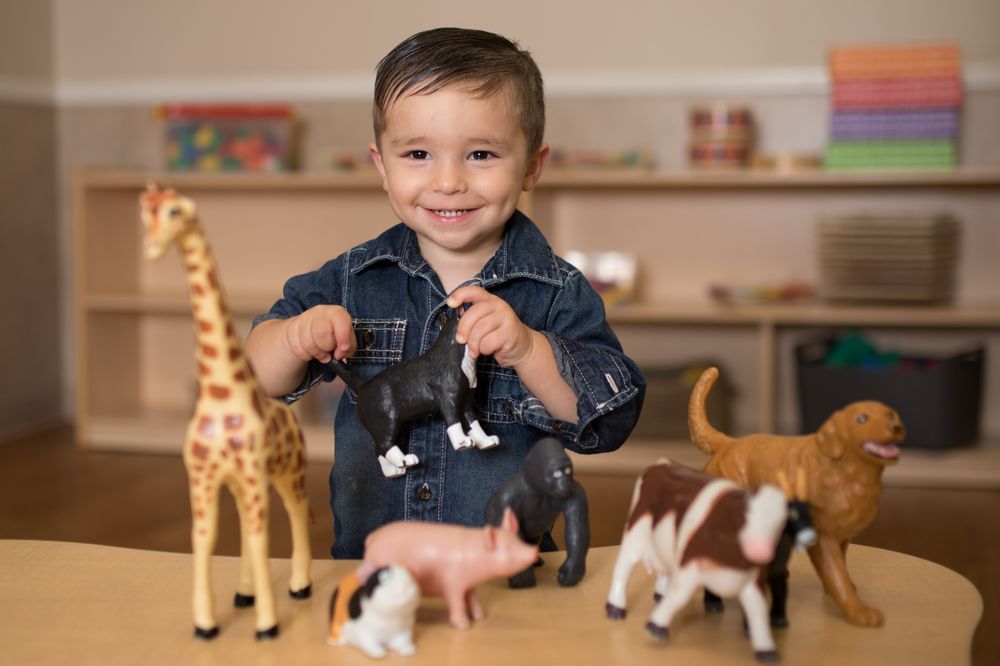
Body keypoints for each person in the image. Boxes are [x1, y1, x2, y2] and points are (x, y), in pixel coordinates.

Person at [246, 27, 645, 558]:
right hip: (375, 565)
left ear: (532, 165)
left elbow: (607, 419)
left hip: (505, 567)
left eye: (480, 154)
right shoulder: (350, 280)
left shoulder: (556, 292)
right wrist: (294, 338)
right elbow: (255, 378)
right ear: (381, 166)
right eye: (417, 154)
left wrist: (529, 349)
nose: (449, 181)